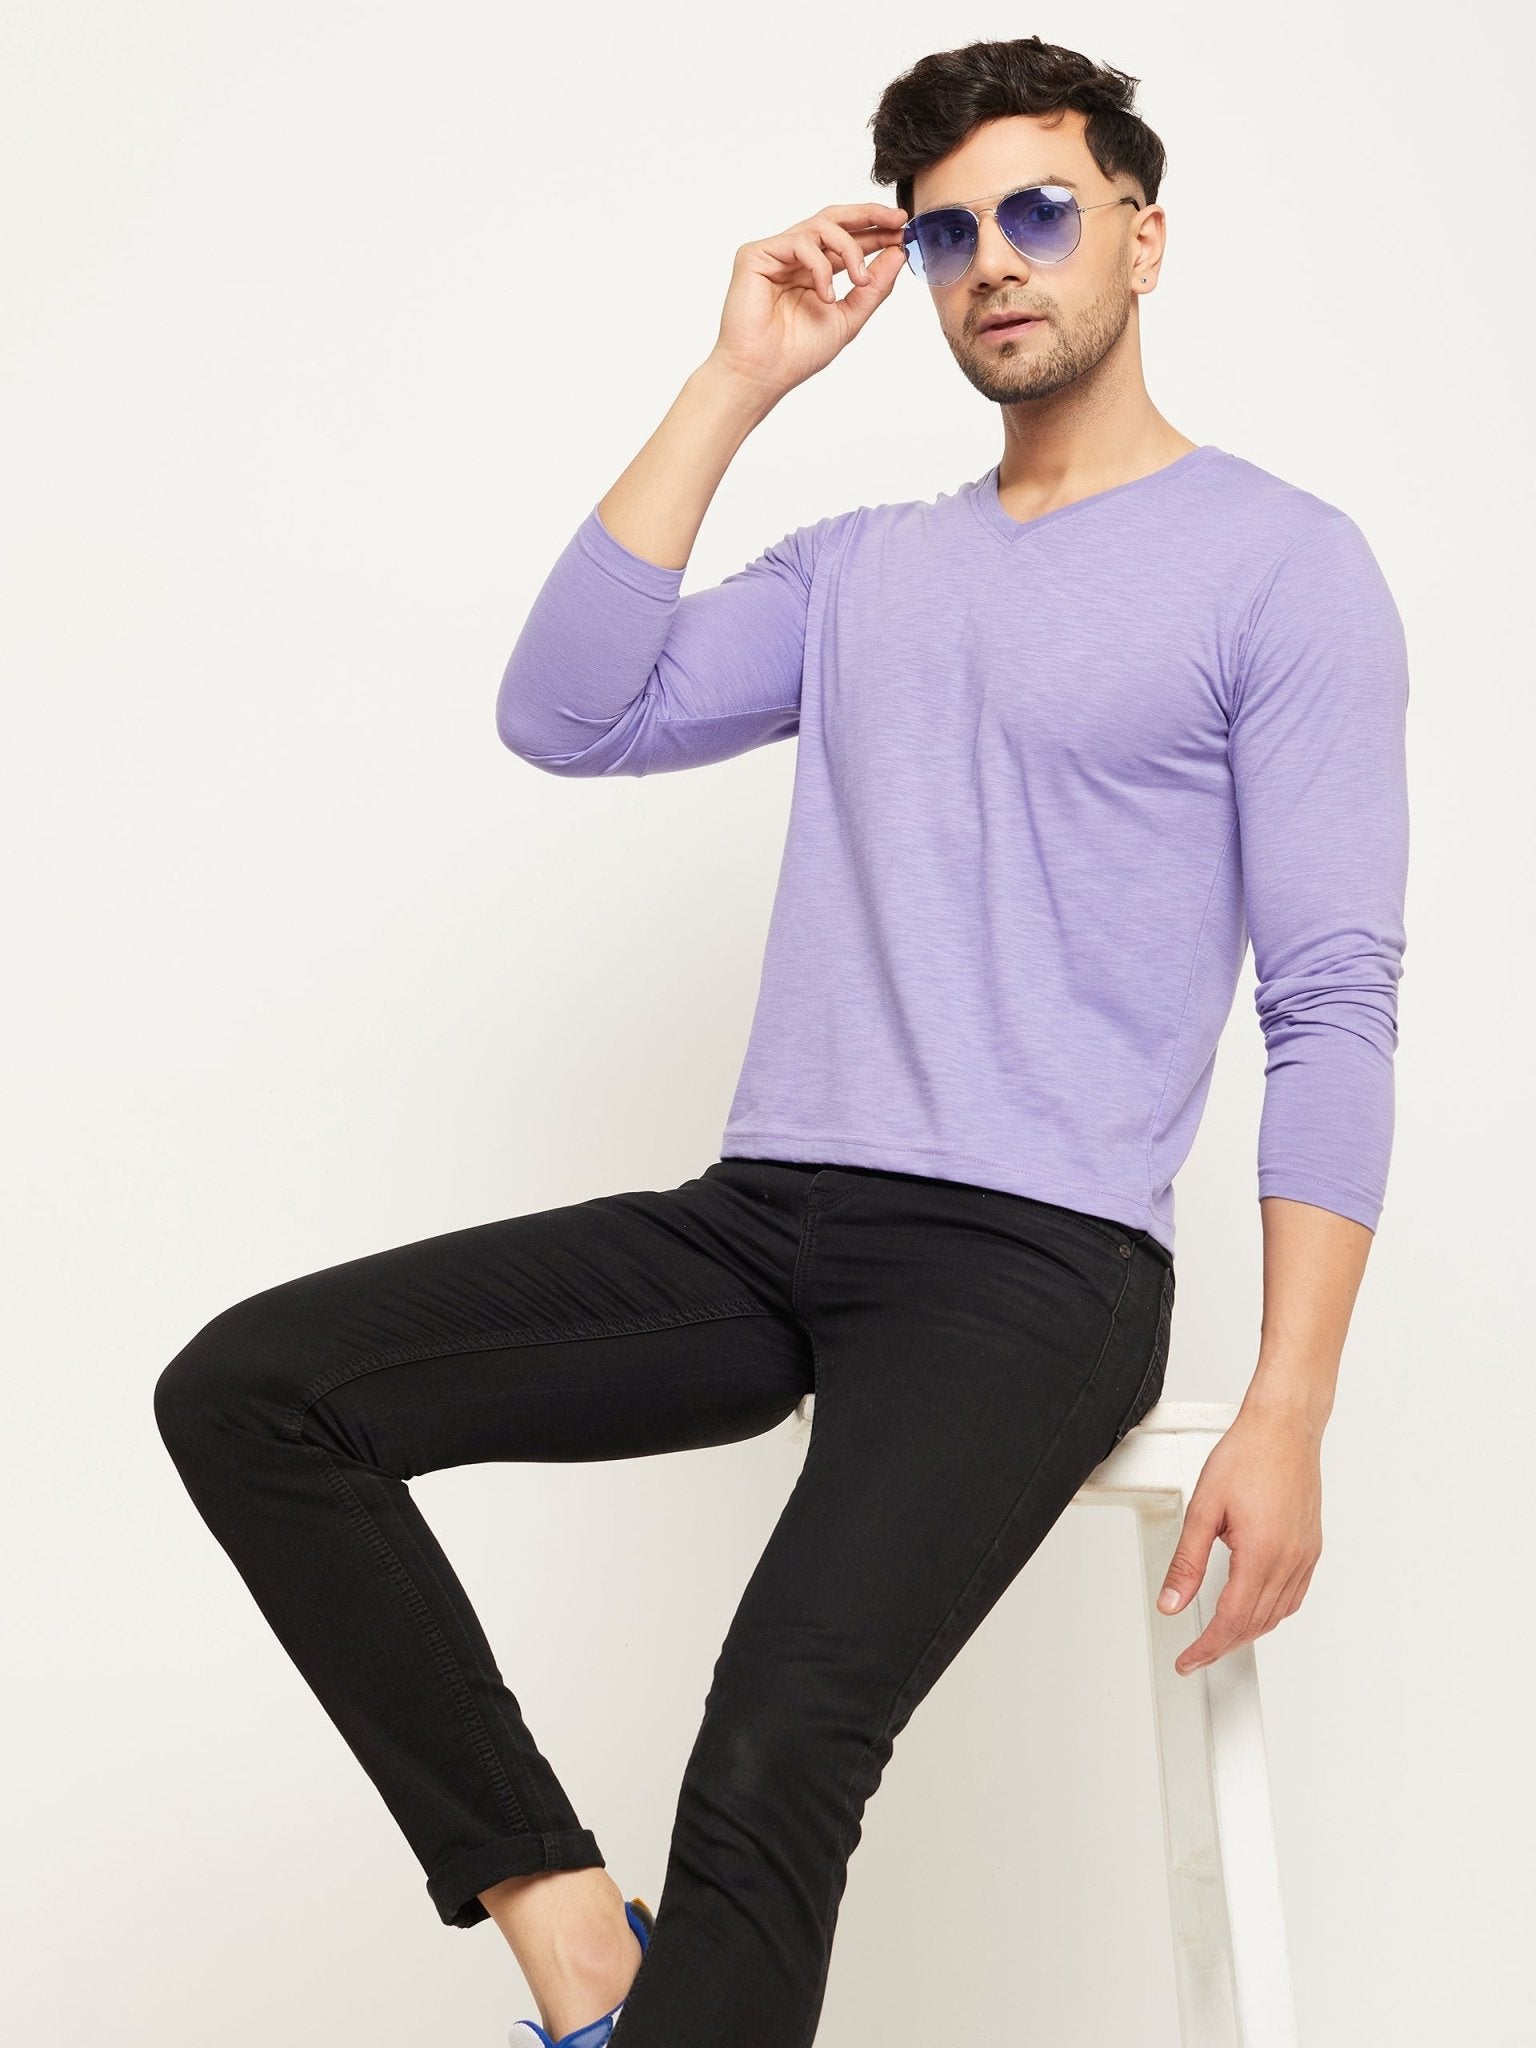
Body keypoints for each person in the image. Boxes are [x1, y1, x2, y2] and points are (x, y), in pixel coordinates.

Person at [153, 32, 1410, 2048]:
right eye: (947, 233)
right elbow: (569, 712)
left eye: (1038, 210)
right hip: (770, 1217)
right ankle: (580, 1947)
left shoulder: (1281, 563)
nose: (994, 261)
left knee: (772, 1750)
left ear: (1142, 236)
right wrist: (738, 377)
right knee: (255, 1393)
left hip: (1037, 1261)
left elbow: (1334, 996)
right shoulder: (862, 570)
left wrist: (1292, 1405)